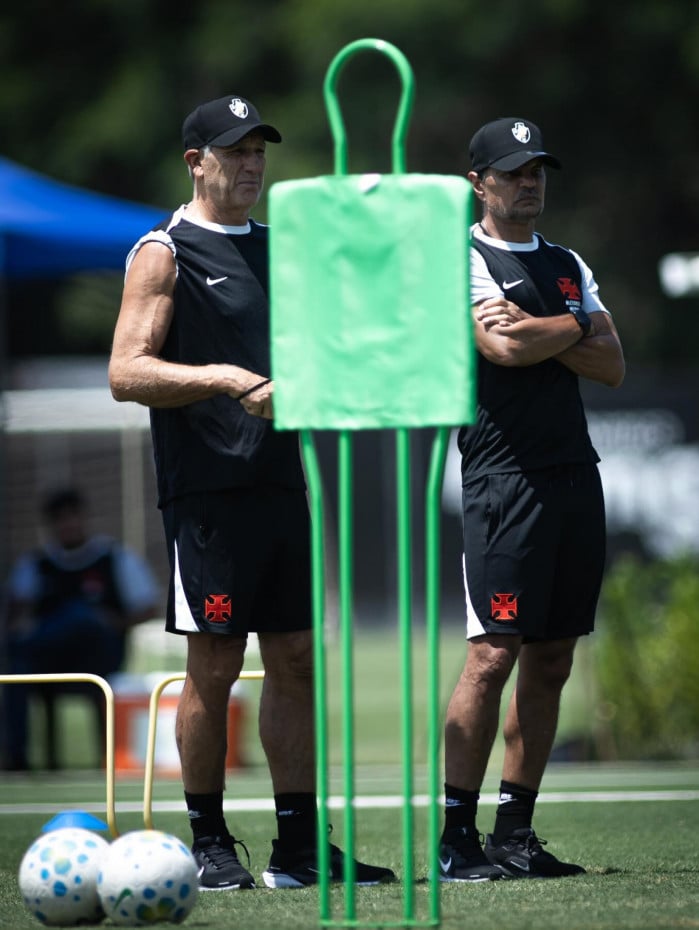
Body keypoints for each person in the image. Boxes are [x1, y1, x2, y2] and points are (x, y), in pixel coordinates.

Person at [108, 94, 395, 891]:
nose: (250, 165)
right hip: (207, 493)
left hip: (279, 482)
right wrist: (224, 379)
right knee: (214, 667)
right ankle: (207, 843)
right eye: (233, 152)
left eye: (258, 151)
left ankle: (299, 851)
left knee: (297, 661)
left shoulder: (280, 248)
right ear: (194, 162)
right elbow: (125, 372)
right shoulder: (162, 251)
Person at [438, 117, 625, 882]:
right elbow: (501, 349)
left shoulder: (566, 263)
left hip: (573, 475)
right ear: (478, 182)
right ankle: (457, 838)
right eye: (513, 171)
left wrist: (566, 322)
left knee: (551, 660)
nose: (529, 182)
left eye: (537, 169)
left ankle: (514, 833)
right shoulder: (461, 259)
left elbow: (610, 362)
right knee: (492, 654)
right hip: (500, 477)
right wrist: (574, 329)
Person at [2, 487, 160, 770]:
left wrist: (113, 621)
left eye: (72, 517)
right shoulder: (36, 565)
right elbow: (17, 615)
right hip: (48, 661)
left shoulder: (114, 557)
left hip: (99, 657)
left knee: (82, 617)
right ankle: (16, 758)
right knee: (19, 667)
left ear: (84, 518)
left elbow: (148, 607)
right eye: (60, 519)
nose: (68, 525)